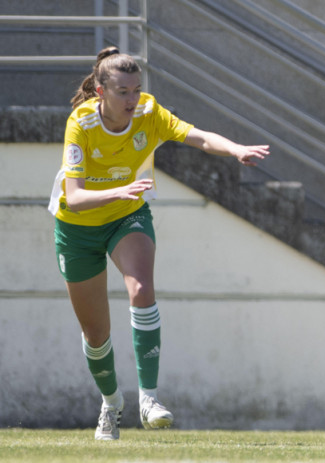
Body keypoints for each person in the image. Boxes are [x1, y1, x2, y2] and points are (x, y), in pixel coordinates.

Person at [47, 46, 270, 441]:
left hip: (126, 216)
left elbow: (197, 136)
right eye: (122, 92)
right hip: (77, 226)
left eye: (136, 90)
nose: (132, 100)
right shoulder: (81, 123)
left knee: (142, 289)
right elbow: (76, 197)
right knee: (96, 334)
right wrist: (120, 189)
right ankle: (112, 404)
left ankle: (148, 399)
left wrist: (234, 148)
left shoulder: (149, 113)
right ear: (101, 92)